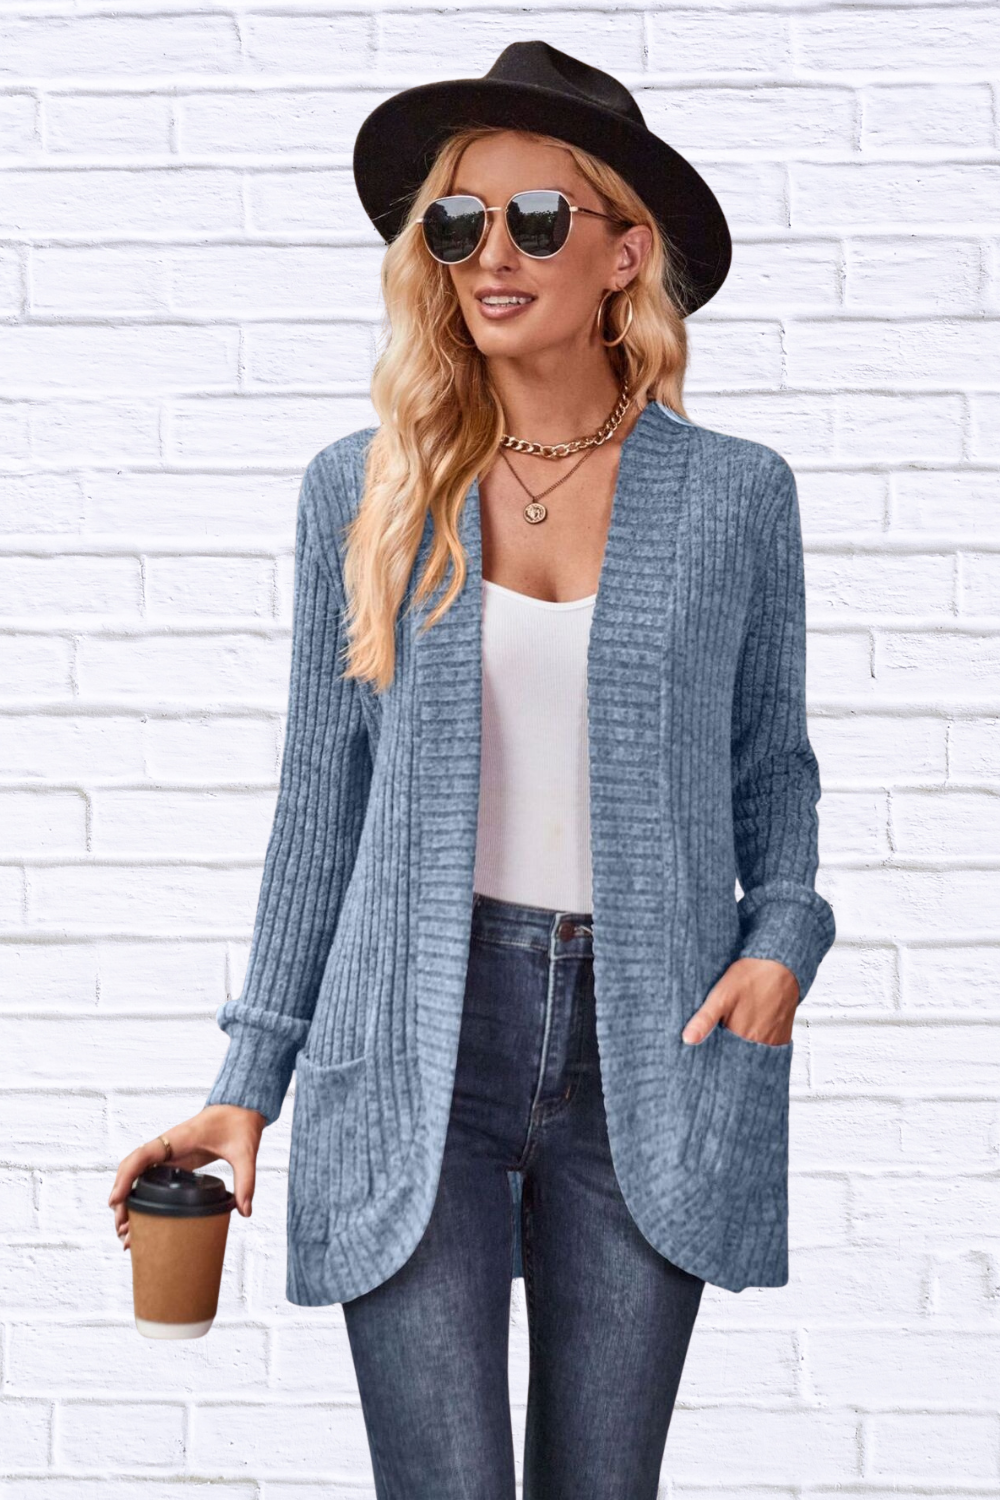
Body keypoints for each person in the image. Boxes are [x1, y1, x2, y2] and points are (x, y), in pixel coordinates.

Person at [109, 40, 836, 1498]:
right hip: (411, 1039)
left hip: (655, 1039)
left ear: (626, 252)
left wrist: (783, 943)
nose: (490, 254)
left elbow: (775, 769)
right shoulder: (367, 488)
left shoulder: (736, 496)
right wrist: (248, 1080)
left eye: (536, 219)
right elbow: (321, 806)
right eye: (457, 222)